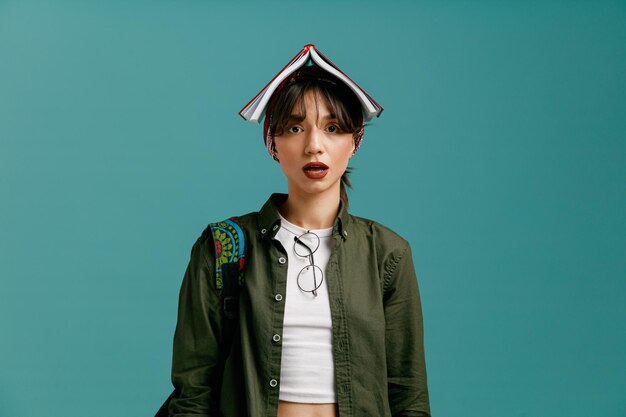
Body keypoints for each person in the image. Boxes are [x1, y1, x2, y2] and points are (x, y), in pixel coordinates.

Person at [168, 46, 431, 417]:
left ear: (355, 142)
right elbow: (193, 391)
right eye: (294, 127)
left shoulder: (387, 254)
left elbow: (408, 394)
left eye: (333, 128)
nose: (313, 145)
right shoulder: (223, 246)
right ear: (273, 143)